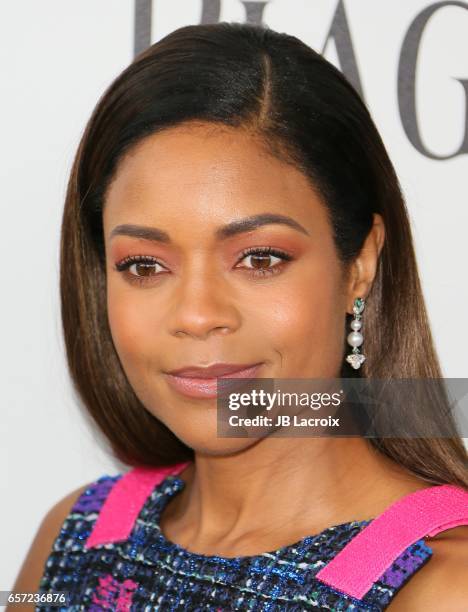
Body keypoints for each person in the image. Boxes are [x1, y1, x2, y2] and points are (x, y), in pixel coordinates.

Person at [11, 21, 468, 611]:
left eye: (259, 258)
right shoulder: (74, 538)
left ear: (359, 262)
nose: (198, 315)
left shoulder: (442, 584)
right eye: (146, 265)